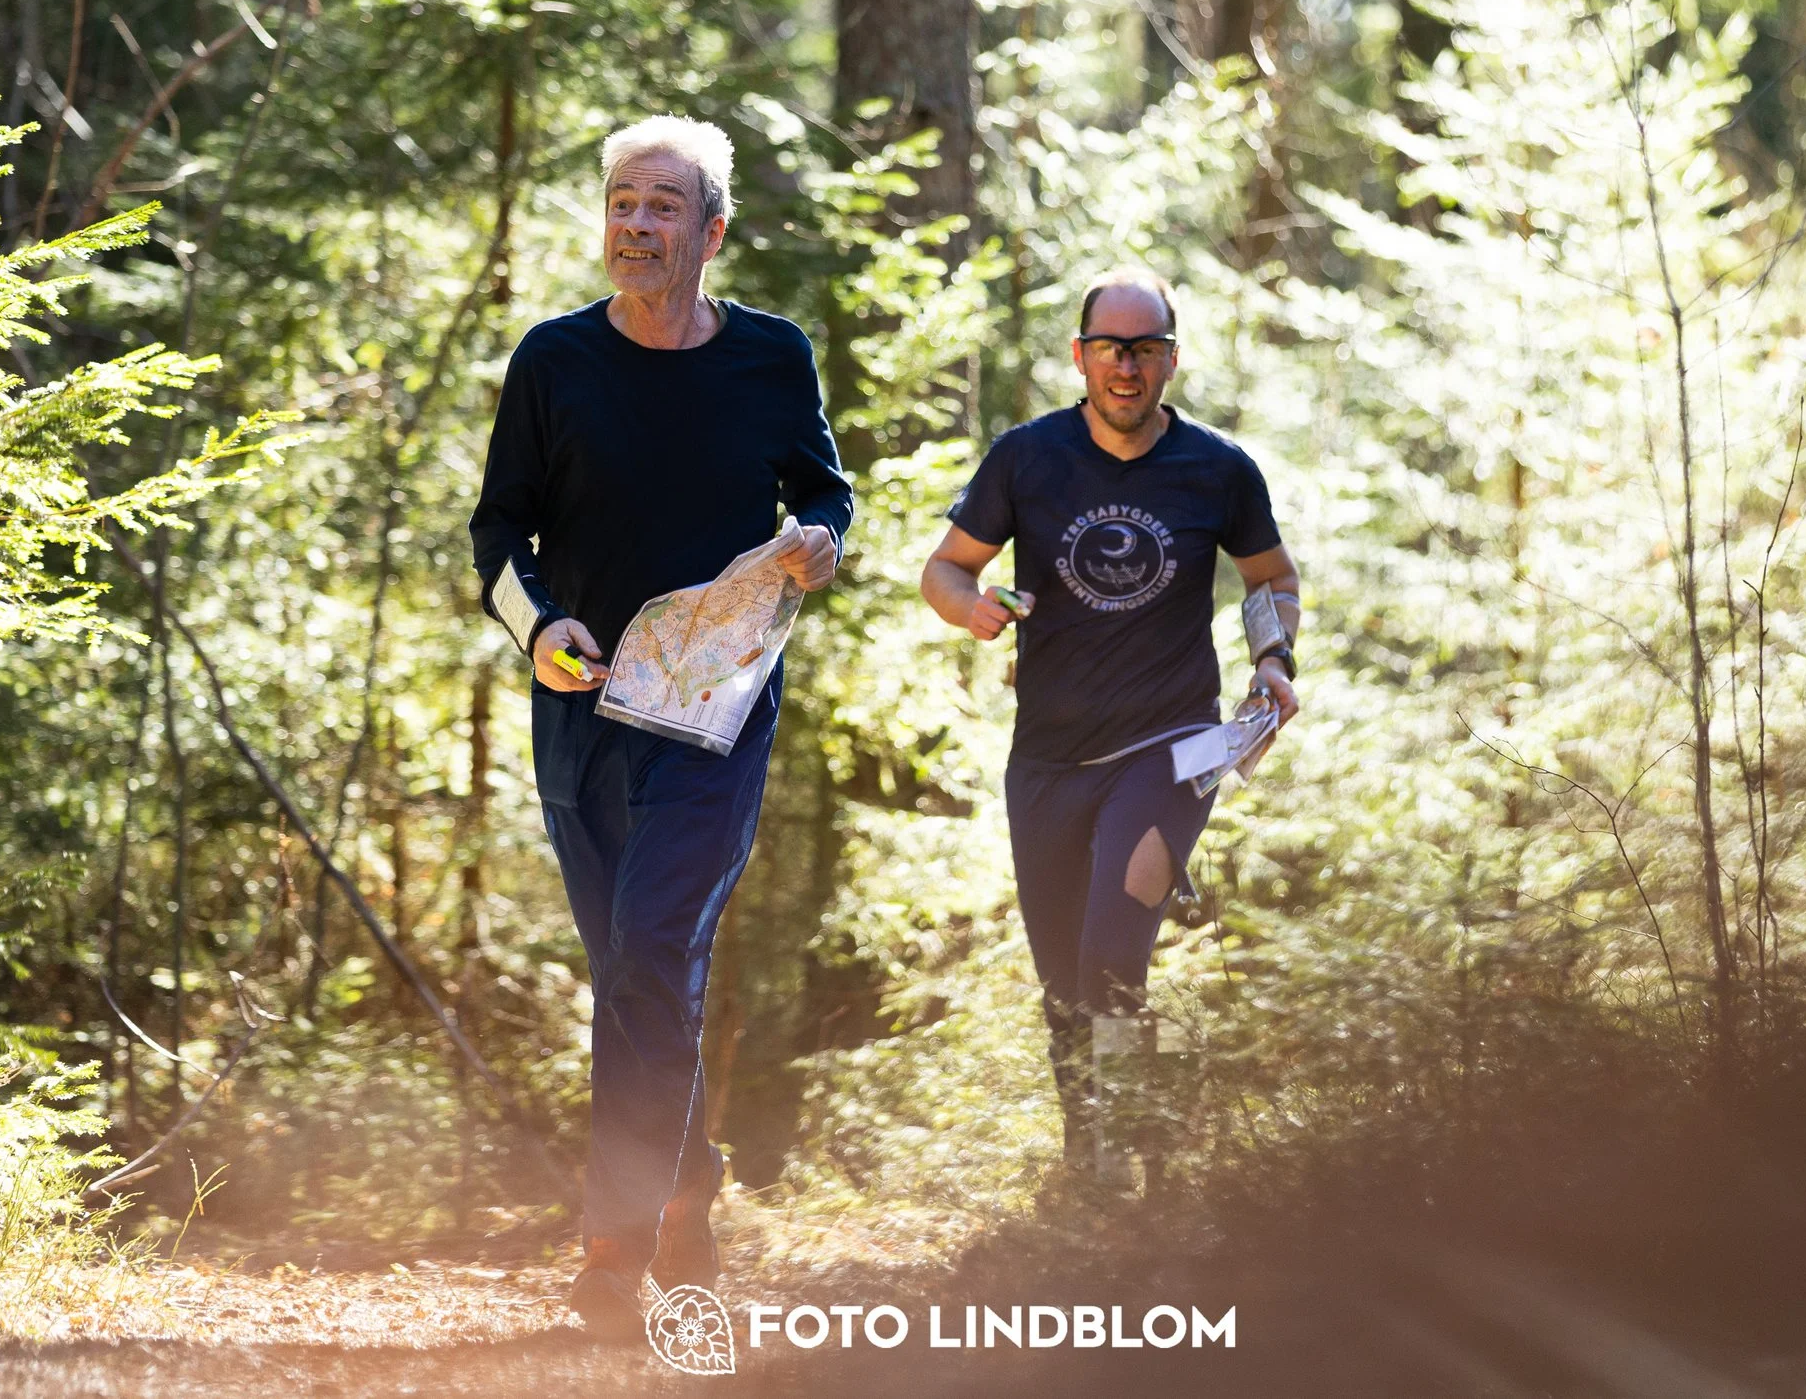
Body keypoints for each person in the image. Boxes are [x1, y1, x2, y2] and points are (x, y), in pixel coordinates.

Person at [469, 115, 851, 1338]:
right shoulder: (553, 360)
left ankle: (612, 1245)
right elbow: (496, 538)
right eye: (622, 202)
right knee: (629, 970)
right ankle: (687, 1196)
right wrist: (540, 632)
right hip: (582, 708)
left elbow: (825, 488)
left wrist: (821, 542)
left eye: (663, 206)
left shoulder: (772, 358)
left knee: (651, 945)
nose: (635, 224)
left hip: (714, 716)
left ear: (712, 232)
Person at [919, 268, 1300, 1166]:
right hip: (1048, 758)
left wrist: (1273, 658)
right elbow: (944, 568)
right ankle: (1097, 1168)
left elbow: (1271, 579)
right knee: (1064, 983)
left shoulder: (1218, 468)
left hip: (1168, 750)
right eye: (1109, 348)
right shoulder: (1027, 458)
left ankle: (1136, 1163)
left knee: (1111, 961)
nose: (1126, 366)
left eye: (1145, 348)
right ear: (1080, 356)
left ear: (1172, 357)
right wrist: (968, 606)